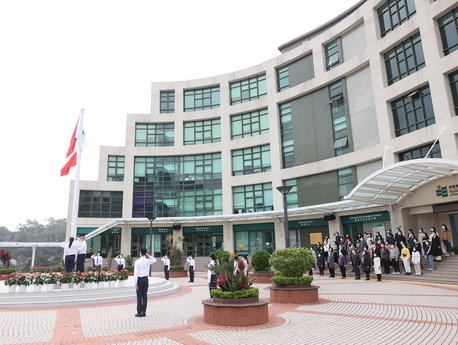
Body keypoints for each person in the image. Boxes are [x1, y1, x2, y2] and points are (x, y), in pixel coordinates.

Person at [134, 247, 157, 317]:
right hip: (146, 279)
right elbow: (155, 260)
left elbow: (136, 273)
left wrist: (135, 283)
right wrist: (148, 255)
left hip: (140, 280)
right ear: (145, 253)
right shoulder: (148, 261)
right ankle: (144, 312)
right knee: (144, 295)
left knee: (139, 296)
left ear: (140, 253)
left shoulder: (137, 262)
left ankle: (139, 312)